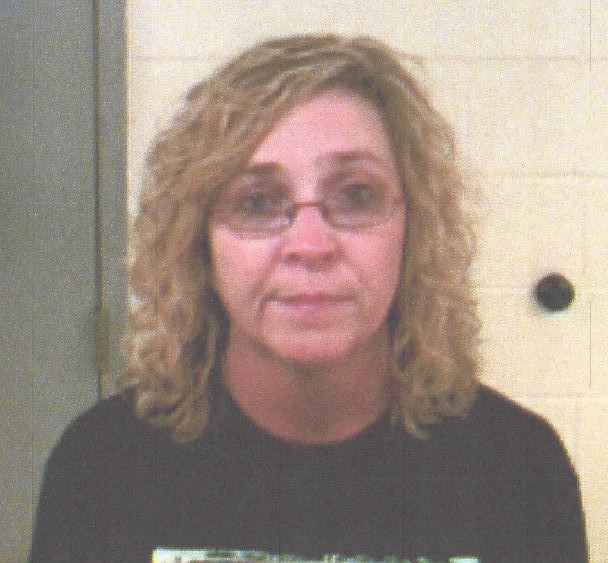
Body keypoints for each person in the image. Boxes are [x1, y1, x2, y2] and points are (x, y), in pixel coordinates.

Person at [30, 34, 587, 563]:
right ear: (197, 243)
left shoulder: (516, 468)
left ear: (414, 231)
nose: (311, 246)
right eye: (256, 203)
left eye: (357, 196)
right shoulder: (102, 468)